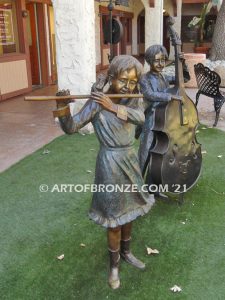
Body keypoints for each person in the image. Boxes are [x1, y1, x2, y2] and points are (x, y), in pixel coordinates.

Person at [53, 55, 155, 290]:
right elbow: (71, 127)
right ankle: (114, 265)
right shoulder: (97, 102)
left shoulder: (133, 100)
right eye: (123, 80)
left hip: (130, 159)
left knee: (131, 212)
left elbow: (141, 118)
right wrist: (62, 107)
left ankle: (127, 252)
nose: (129, 86)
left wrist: (115, 106)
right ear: (111, 78)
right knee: (114, 220)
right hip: (109, 163)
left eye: (133, 81)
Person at [136, 45, 189, 195]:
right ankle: (136, 190)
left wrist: (182, 64)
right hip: (151, 121)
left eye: (163, 60)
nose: (160, 64)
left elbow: (183, 79)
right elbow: (149, 94)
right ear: (148, 61)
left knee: (159, 156)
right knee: (145, 155)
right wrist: (169, 96)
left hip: (165, 122)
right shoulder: (144, 79)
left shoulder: (164, 77)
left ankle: (153, 188)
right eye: (156, 61)